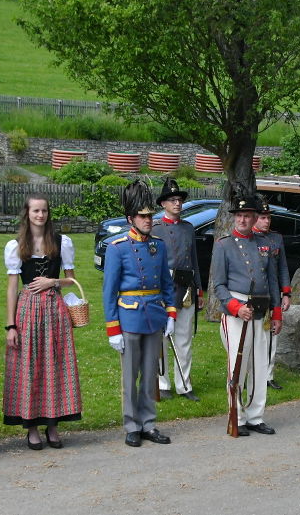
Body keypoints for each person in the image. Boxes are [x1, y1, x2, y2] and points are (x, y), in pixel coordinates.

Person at [3, 194, 82, 450]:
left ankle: (53, 424)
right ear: (27, 213)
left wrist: (53, 282)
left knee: (55, 365)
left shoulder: (61, 242)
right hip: (27, 309)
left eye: (44, 211)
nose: (41, 215)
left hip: (54, 309)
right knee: (30, 367)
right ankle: (32, 427)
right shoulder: (16, 245)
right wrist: (10, 325)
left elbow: (71, 279)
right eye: (36, 211)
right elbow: (12, 286)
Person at [103, 180, 177, 448]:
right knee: (130, 377)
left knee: (149, 375)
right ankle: (131, 425)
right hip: (130, 319)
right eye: (143, 216)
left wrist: (171, 315)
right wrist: (113, 329)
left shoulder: (158, 245)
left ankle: (148, 423)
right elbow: (109, 291)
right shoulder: (117, 248)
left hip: (154, 318)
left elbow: (166, 285)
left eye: (150, 215)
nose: (149, 220)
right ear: (130, 218)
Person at [211, 192, 283, 436]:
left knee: (260, 365)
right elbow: (218, 285)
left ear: (254, 219)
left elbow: (272, 281)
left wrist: (277, 314)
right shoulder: (224, 245)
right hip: (237, 312)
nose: (242, 220)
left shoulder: (265, 245)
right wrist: (234, 307)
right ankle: (237, 417)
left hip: (261, 311)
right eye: (239, 215)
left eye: (247, 215)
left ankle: (255, 416)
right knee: (237, 367)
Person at [152, 178, 202, 402]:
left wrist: (199, 288)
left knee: (183, 339)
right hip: (163, 289)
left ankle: (184, 383)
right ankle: (162, 383)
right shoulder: (155, 229)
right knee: (162, 339)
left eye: (179, 200)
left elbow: (194, 261)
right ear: (163, 204)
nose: (177, 204)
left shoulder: (188, 228)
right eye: (172, 200)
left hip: (186, 289)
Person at [252, 196, 290, 390]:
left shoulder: (276, 238)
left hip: (273, 293)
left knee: (272, 335)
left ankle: (268, 375)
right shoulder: (249, 238)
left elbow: (282, 267)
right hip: (254, 293)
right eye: (262, 217)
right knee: (253, 335)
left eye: (268, 217)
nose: (266, 221)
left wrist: (286, 293)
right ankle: (252, 374)